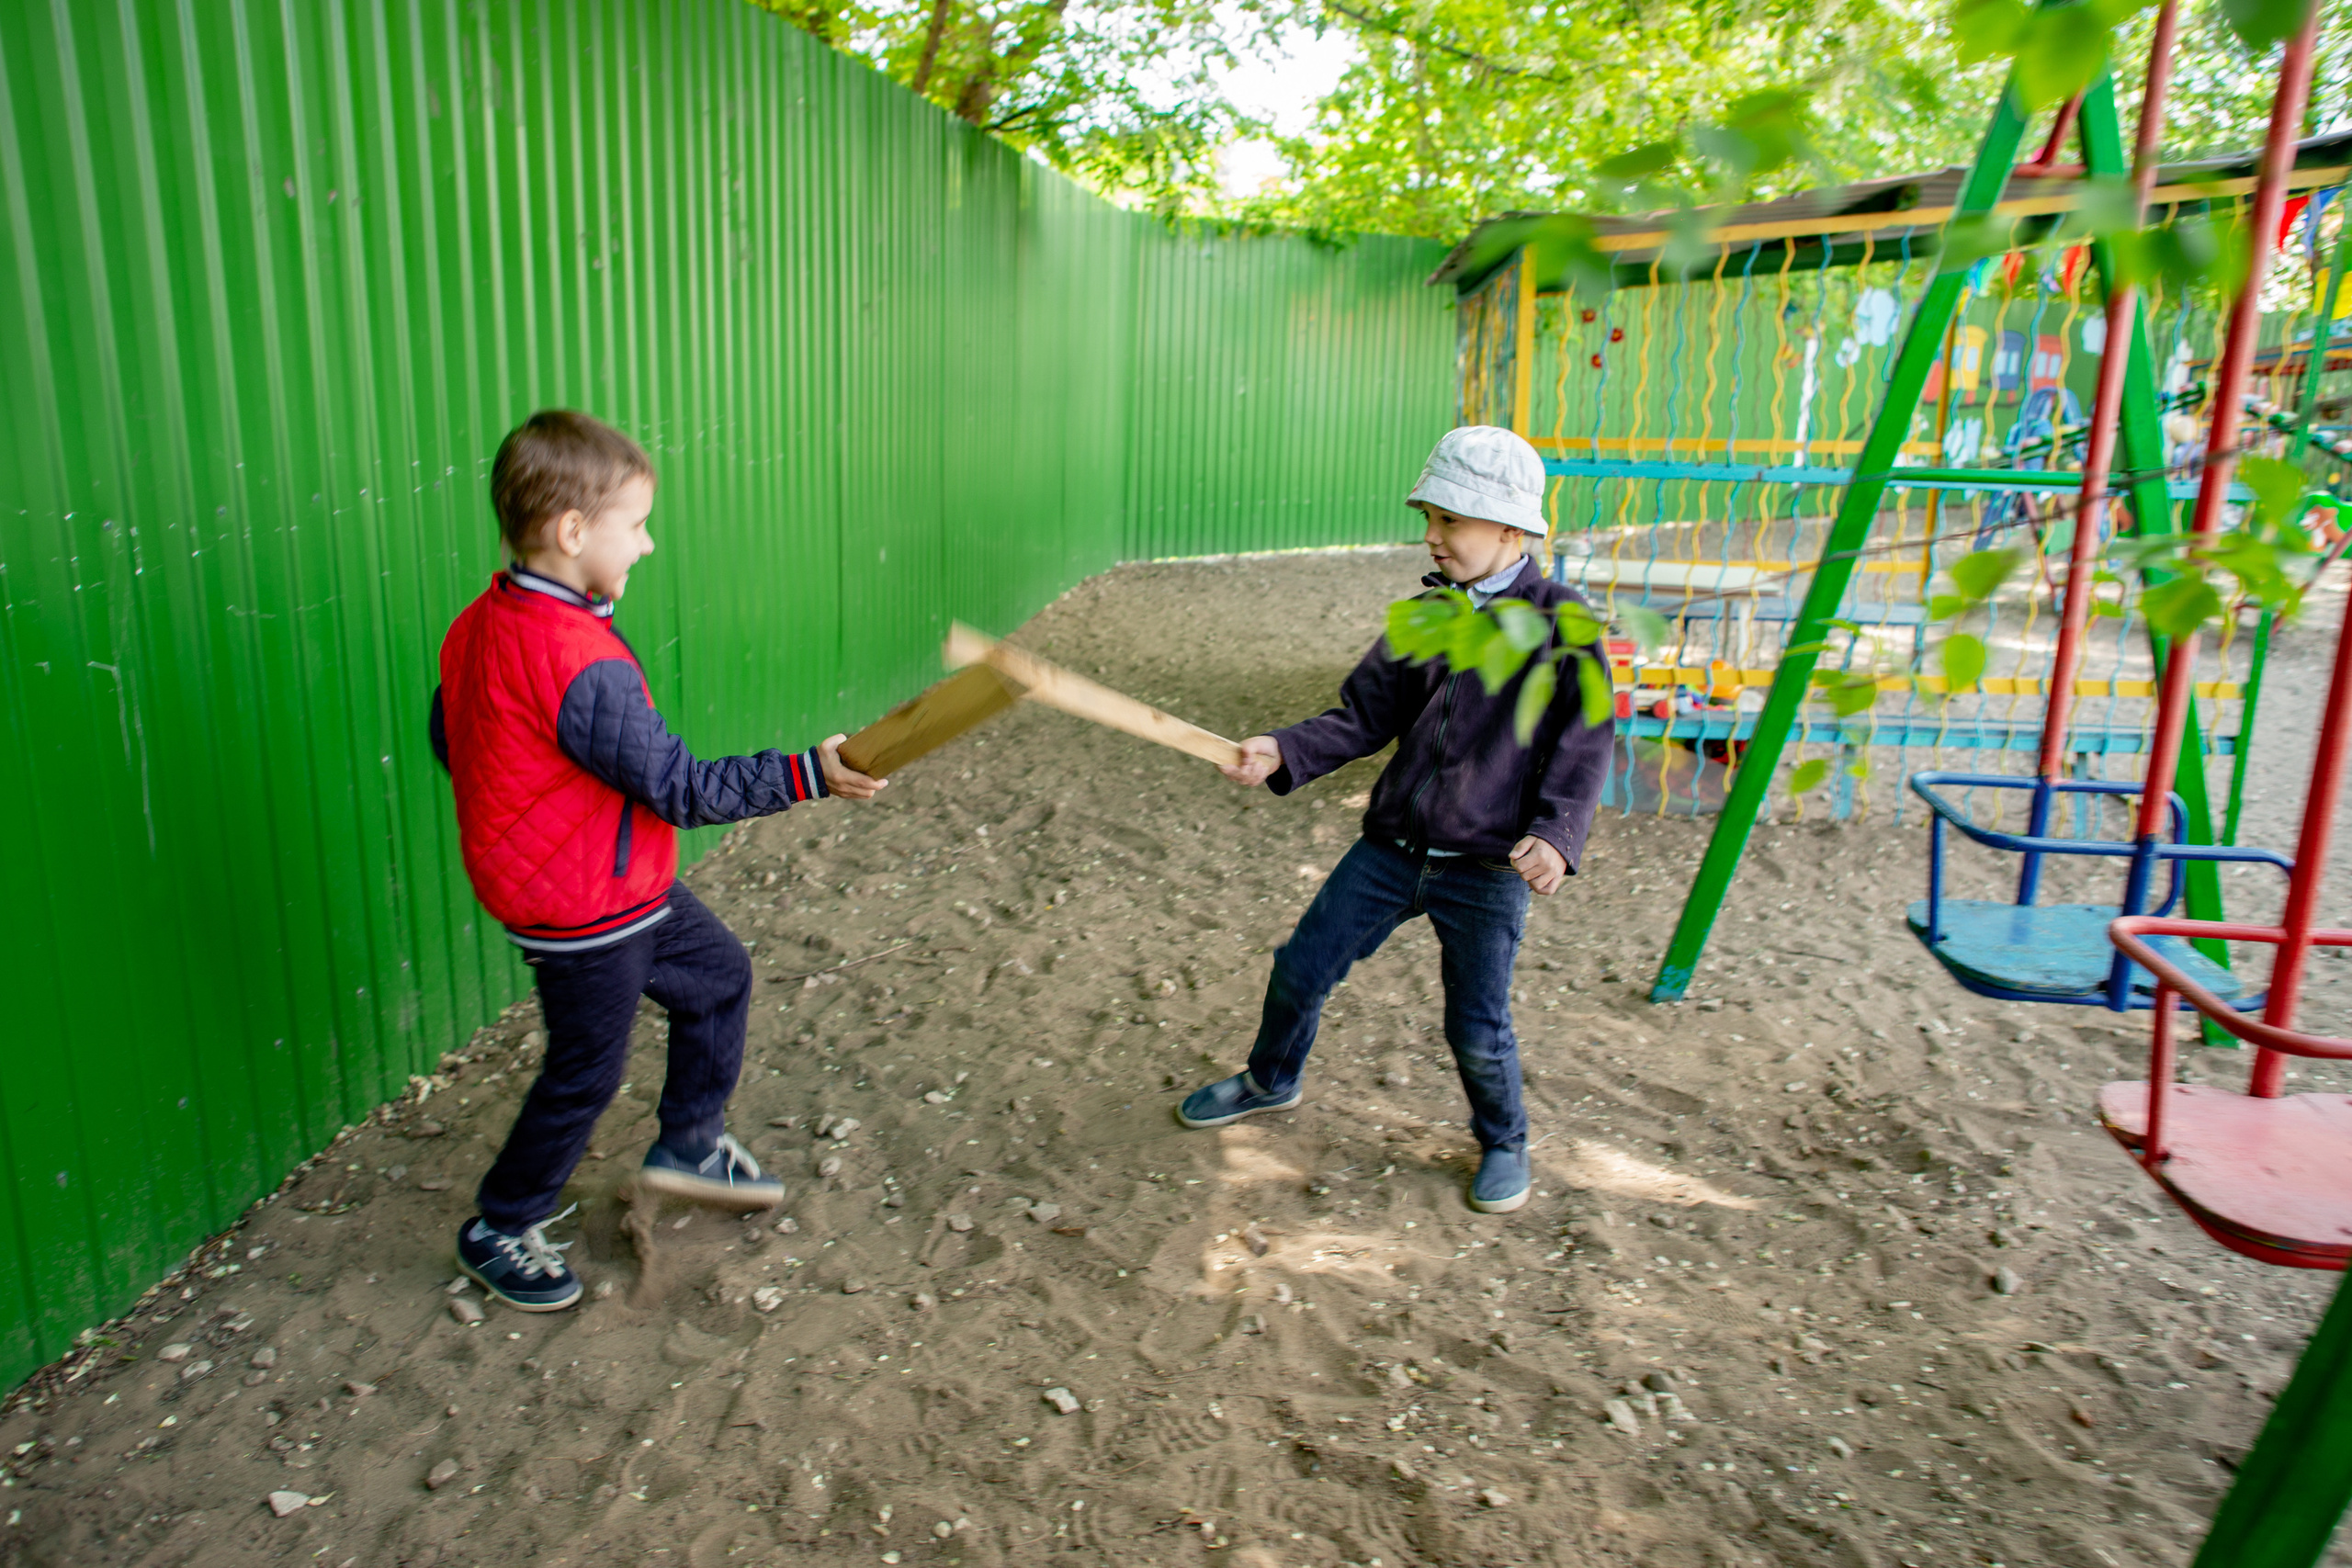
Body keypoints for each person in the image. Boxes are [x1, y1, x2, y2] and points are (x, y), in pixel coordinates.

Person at [430, 410, 884, 1309]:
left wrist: (526, 802)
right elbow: (680, 789)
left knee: (716, 975)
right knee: (586, 1072)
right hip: (580, 905)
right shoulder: (573, 657)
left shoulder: (485, 620)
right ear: (572, 531)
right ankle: (501, 1223)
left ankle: (690, 1142)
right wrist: (809, 772)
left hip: (610, 879)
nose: (646, 543)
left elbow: (453, 734)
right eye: (634, 524)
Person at [1176, 425, 1614, 1213]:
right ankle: (1271, 1078)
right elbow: (1362, 715)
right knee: (1300, 969)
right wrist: (1283, 749)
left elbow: (1584, 743)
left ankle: (1504, 1138)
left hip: (1485, 868)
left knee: (1476, 1025)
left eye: (1451, 520)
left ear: (1509, 529)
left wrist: (1556, 834)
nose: (1432, 535)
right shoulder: (1426, 614)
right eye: (1430, 517)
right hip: (1391, 850)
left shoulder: (1563, 621)